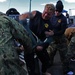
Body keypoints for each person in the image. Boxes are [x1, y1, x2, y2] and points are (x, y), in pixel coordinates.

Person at [19, 3, 55, 75]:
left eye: (48, 14)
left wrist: (42, 46)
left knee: (46, 61)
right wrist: (24, 16)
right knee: (31, 65)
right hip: (29, 43)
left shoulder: (50, 24)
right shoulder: (35, 14)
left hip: (39, 44)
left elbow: (50, 39)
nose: (45, 15)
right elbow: (25, 15)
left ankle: (44, 72)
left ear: (52, 15)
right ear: (43, 10)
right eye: (45, 12)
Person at [46, 0, 68, 74]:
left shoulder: (63, 19)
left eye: (59, 11)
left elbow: (62, 31)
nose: (57, 12)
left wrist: (53, 33)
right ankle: (48, 67)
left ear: (61, 11)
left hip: (61, 41)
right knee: (49, 55)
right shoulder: (51, 17)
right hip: (52, 41)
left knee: (64, 57)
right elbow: (48, 25)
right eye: (56, 10)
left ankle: (65, 70)